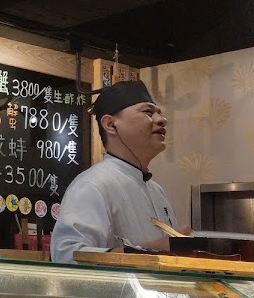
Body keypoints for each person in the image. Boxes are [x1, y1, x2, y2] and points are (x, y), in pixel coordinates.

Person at [51, 80, 190, 264]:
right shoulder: (92, 185)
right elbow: (67, 257)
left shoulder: (156, 190)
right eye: (148, 112)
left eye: (159, 113)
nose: (161, 120)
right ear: (110, 124)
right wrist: (151, 251)